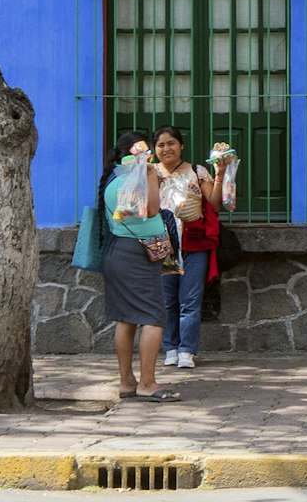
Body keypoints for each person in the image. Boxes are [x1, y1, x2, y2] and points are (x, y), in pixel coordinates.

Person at [149, 128, 238, 373]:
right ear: (154, 149)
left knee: (190, 299)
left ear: (181, 145)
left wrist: (219, 174)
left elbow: (215, 203)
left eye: (172, 143)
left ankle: (187, 350)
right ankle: (171, 348)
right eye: (161, 145)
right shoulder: (150, 173)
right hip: (162, 243)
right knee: (167, 300)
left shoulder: (197, 172)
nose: (166, 149)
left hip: (194, 242)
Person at [98, 137, 179, 399]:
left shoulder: (112, 179)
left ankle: (127, 382)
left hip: (117, 251)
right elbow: (153, 210)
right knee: (153, 317)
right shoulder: (140, 176)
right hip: (138, 254)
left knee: (126, 318)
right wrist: (151, 175)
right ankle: (147, 384)